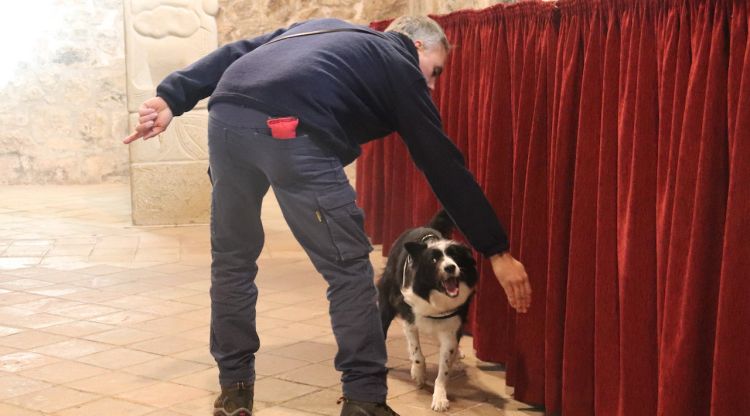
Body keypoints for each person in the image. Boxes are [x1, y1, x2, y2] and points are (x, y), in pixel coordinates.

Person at [124, 15, 531, 416]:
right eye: (435, 70)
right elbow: (443, 164)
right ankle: (365, 399)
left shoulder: (321, 26)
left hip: (226, 118)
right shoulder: (400, 65)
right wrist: (496, 250)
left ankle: (234, 391)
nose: (432, 84)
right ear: (417, 45)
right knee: (348, 269)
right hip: (292, 130)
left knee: (232, 263)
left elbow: (240, 50)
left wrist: (171, 98)